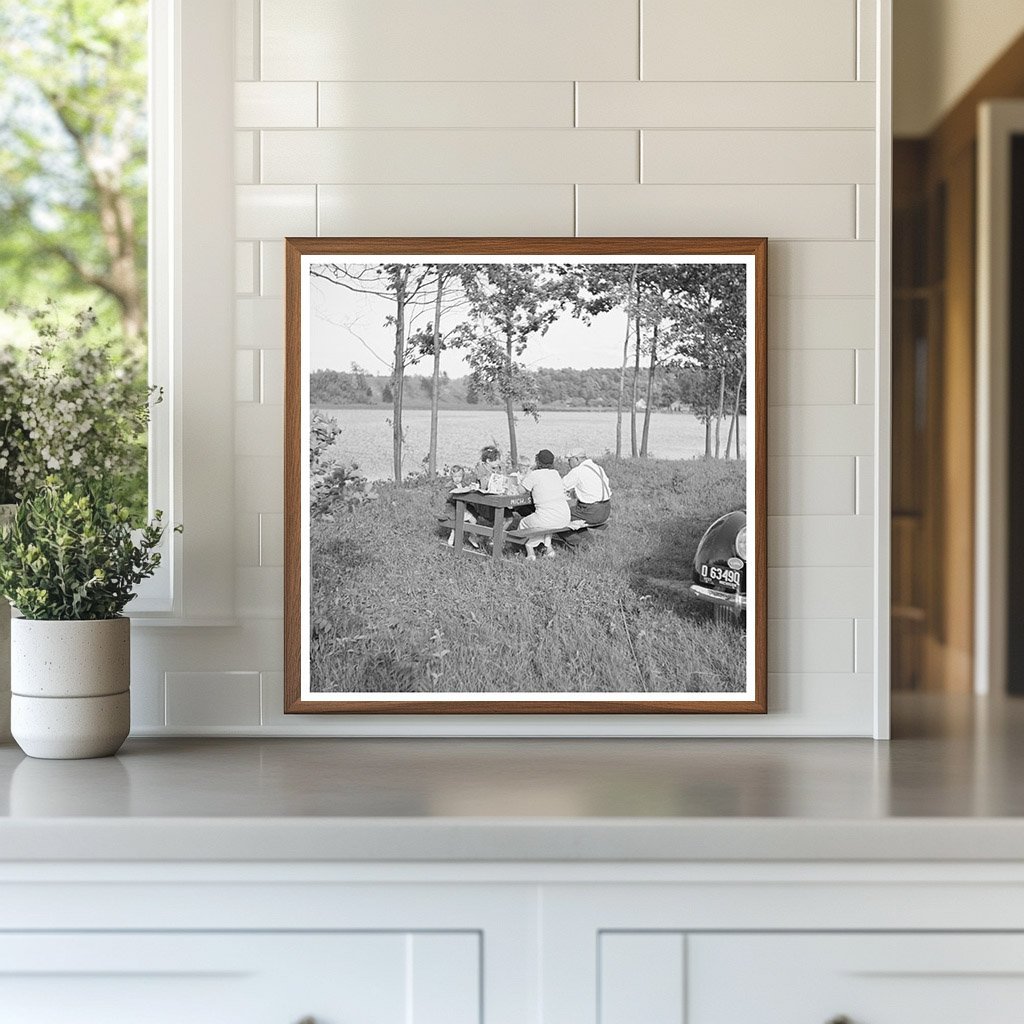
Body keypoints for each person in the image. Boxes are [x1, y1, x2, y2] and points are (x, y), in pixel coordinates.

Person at [518, 449, 571, 559]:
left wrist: (525, 477)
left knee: (524, 523)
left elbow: (520, 490)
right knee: (544, 524)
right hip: (564, 516)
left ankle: (530, 551)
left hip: (547, 518)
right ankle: (548, 548)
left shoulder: (534, 474)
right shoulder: (555, 473)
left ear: (537, 461)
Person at [559, 447, 611, 548]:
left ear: (577, 459)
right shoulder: (598, 468)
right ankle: (589, 541)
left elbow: (560, 487)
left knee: (559, 517)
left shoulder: (578, 471)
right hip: (606, 510)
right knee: (575, 515)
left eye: (569, 460)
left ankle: (579, 544)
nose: (568, 463)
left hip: (592, 512)